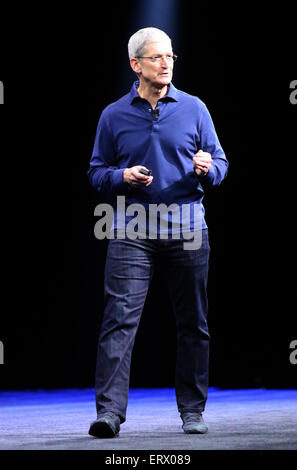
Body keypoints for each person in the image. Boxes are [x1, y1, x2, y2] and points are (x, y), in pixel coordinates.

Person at [87, 27, 228, 438]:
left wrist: (210, 168)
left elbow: (221, 162)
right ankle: (109, 413)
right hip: (131, 227)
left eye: (170, 57)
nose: (166, 63)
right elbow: (96, 172)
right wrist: (121, 176)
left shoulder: (194, 108)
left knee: (193, 322)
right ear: (136, 64)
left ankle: (192, 411)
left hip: (186, 224)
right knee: (118, 321)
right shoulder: (114, 114)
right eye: (156, 57)